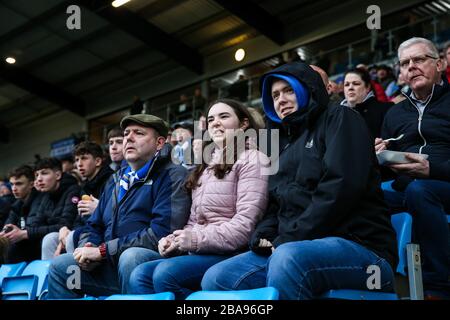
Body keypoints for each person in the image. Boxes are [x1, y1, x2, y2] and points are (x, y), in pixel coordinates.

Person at [201, 62, 397, 300]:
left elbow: (340, 188)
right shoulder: (280, 142)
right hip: (295, 245)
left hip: (361, 247)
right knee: (217, 278)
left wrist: (289, 238)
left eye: (288, 90)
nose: (280, 99)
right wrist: (264, 234)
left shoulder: (341, 117)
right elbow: (275, 202)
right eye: (274, 95)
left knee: (288, 259)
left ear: (307, 88)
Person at [127, 99, 269, 299]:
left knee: (164, 275)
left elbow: (245, 225)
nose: (215, 123)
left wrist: (194, 240)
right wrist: (174, 240)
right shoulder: (205, 165)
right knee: (140, 275)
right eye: (211, 119)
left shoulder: (253, 159)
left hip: (233, 252)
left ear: (244, 124)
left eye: (224, 116)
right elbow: (194, 222)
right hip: (203, 249)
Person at [47, 114, 191, 298]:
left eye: (138, 133)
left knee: (131, 257)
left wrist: (103, 251)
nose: (129, 138)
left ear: (160, 143)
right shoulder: (115, 180)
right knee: (62, 267)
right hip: (111, 264)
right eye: (126, 134)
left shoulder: (173, 175)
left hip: (151, 267)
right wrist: (89, 246)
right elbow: (94, 224)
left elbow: (161, 233)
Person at [375, 37, 450, 299]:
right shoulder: (394, 114)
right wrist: (379, 155)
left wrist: (433, 170)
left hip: (441, 184)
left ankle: (438, 287)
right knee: (360, 195)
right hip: (405, 188)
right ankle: (380, 280)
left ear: (439, 64)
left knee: (420, 191)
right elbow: (384, 171)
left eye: (419, 60)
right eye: (405, 63)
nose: (411, 67)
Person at [41, 141, 113, 260]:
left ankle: (78, 276)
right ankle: (51, 276)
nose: (79, 164)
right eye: (77, 159)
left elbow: (118, 215)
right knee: (51, 238)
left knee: (72, 236)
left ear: (98, 161)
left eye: (84, 158)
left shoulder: (111, 181)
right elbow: (79, 217)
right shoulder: (85, 186)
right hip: (86, 229)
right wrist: (66, 230)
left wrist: (98, 210)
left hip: (102, 231)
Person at [0, 165, 43, 262]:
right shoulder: (16, 205)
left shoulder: (41, 200)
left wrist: (20, 233)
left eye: (18, 184)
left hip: (35, 248)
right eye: (12, 184)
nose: (14, 188)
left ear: (31, 184)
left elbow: (33, 228)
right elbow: (7, 227)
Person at [341, 68, 393, 139]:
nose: (350, 88)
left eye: (356, 84)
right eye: (346, 85)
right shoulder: (337, 115)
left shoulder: (386, 109)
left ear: (368, 87)